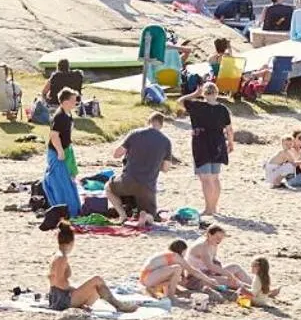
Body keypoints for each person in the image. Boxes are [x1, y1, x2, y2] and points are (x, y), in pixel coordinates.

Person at [48, 224, 138, 312]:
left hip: (56, 298)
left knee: (97, 289)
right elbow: (59, 283)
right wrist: (73, 290)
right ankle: (118, 305)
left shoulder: (57, 255)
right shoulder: (62, 257)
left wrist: (75, 290)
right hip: (62, 300)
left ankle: (85, 305)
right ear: (72, 241)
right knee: (97, 280)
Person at [108, 112, 175, 227]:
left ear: (149, 121)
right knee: (151, 215)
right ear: (161, 124)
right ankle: (145, 217)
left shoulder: (135, 133)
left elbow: (116, 154)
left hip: (128, 181)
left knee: (108, 187)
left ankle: (123, 216)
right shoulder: (166, 141)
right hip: (148, 186)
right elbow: (166, 168)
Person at [181, 81, 235, 217]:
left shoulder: (197, 105)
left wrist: (194, 94)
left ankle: (208, 209)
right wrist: (231, 143)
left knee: (205, 178)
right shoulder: (223, 109)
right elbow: (229, 129)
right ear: (217, 93)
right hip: (218, 143)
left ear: (204, 93)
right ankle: (214, 207)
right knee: (215, 178)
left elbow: (180, 101)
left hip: (202, 142)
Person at [188, 224, 254, 295]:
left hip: (209, 273)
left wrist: (223, 271)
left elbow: (213, 262)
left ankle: (256, 286)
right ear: (209, 234)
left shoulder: (213, 243)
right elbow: (210, 266)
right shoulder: (202, 246)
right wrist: (228, 274)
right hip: (198, 278)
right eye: (217, 237)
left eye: (221, 238)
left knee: (235, 267)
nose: (219, 240)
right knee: (232, 281)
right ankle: (254, 291)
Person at [45, 88, 82, 215]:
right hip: (57, 152)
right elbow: (54, 135)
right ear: (65, 102)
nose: (75, 102)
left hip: (66, 149)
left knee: (69, 178)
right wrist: (60, 151)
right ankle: (62, 209)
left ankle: (73, 208)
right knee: (59, 181)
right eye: (73, 100)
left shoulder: (68, 114)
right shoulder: (59, 116)